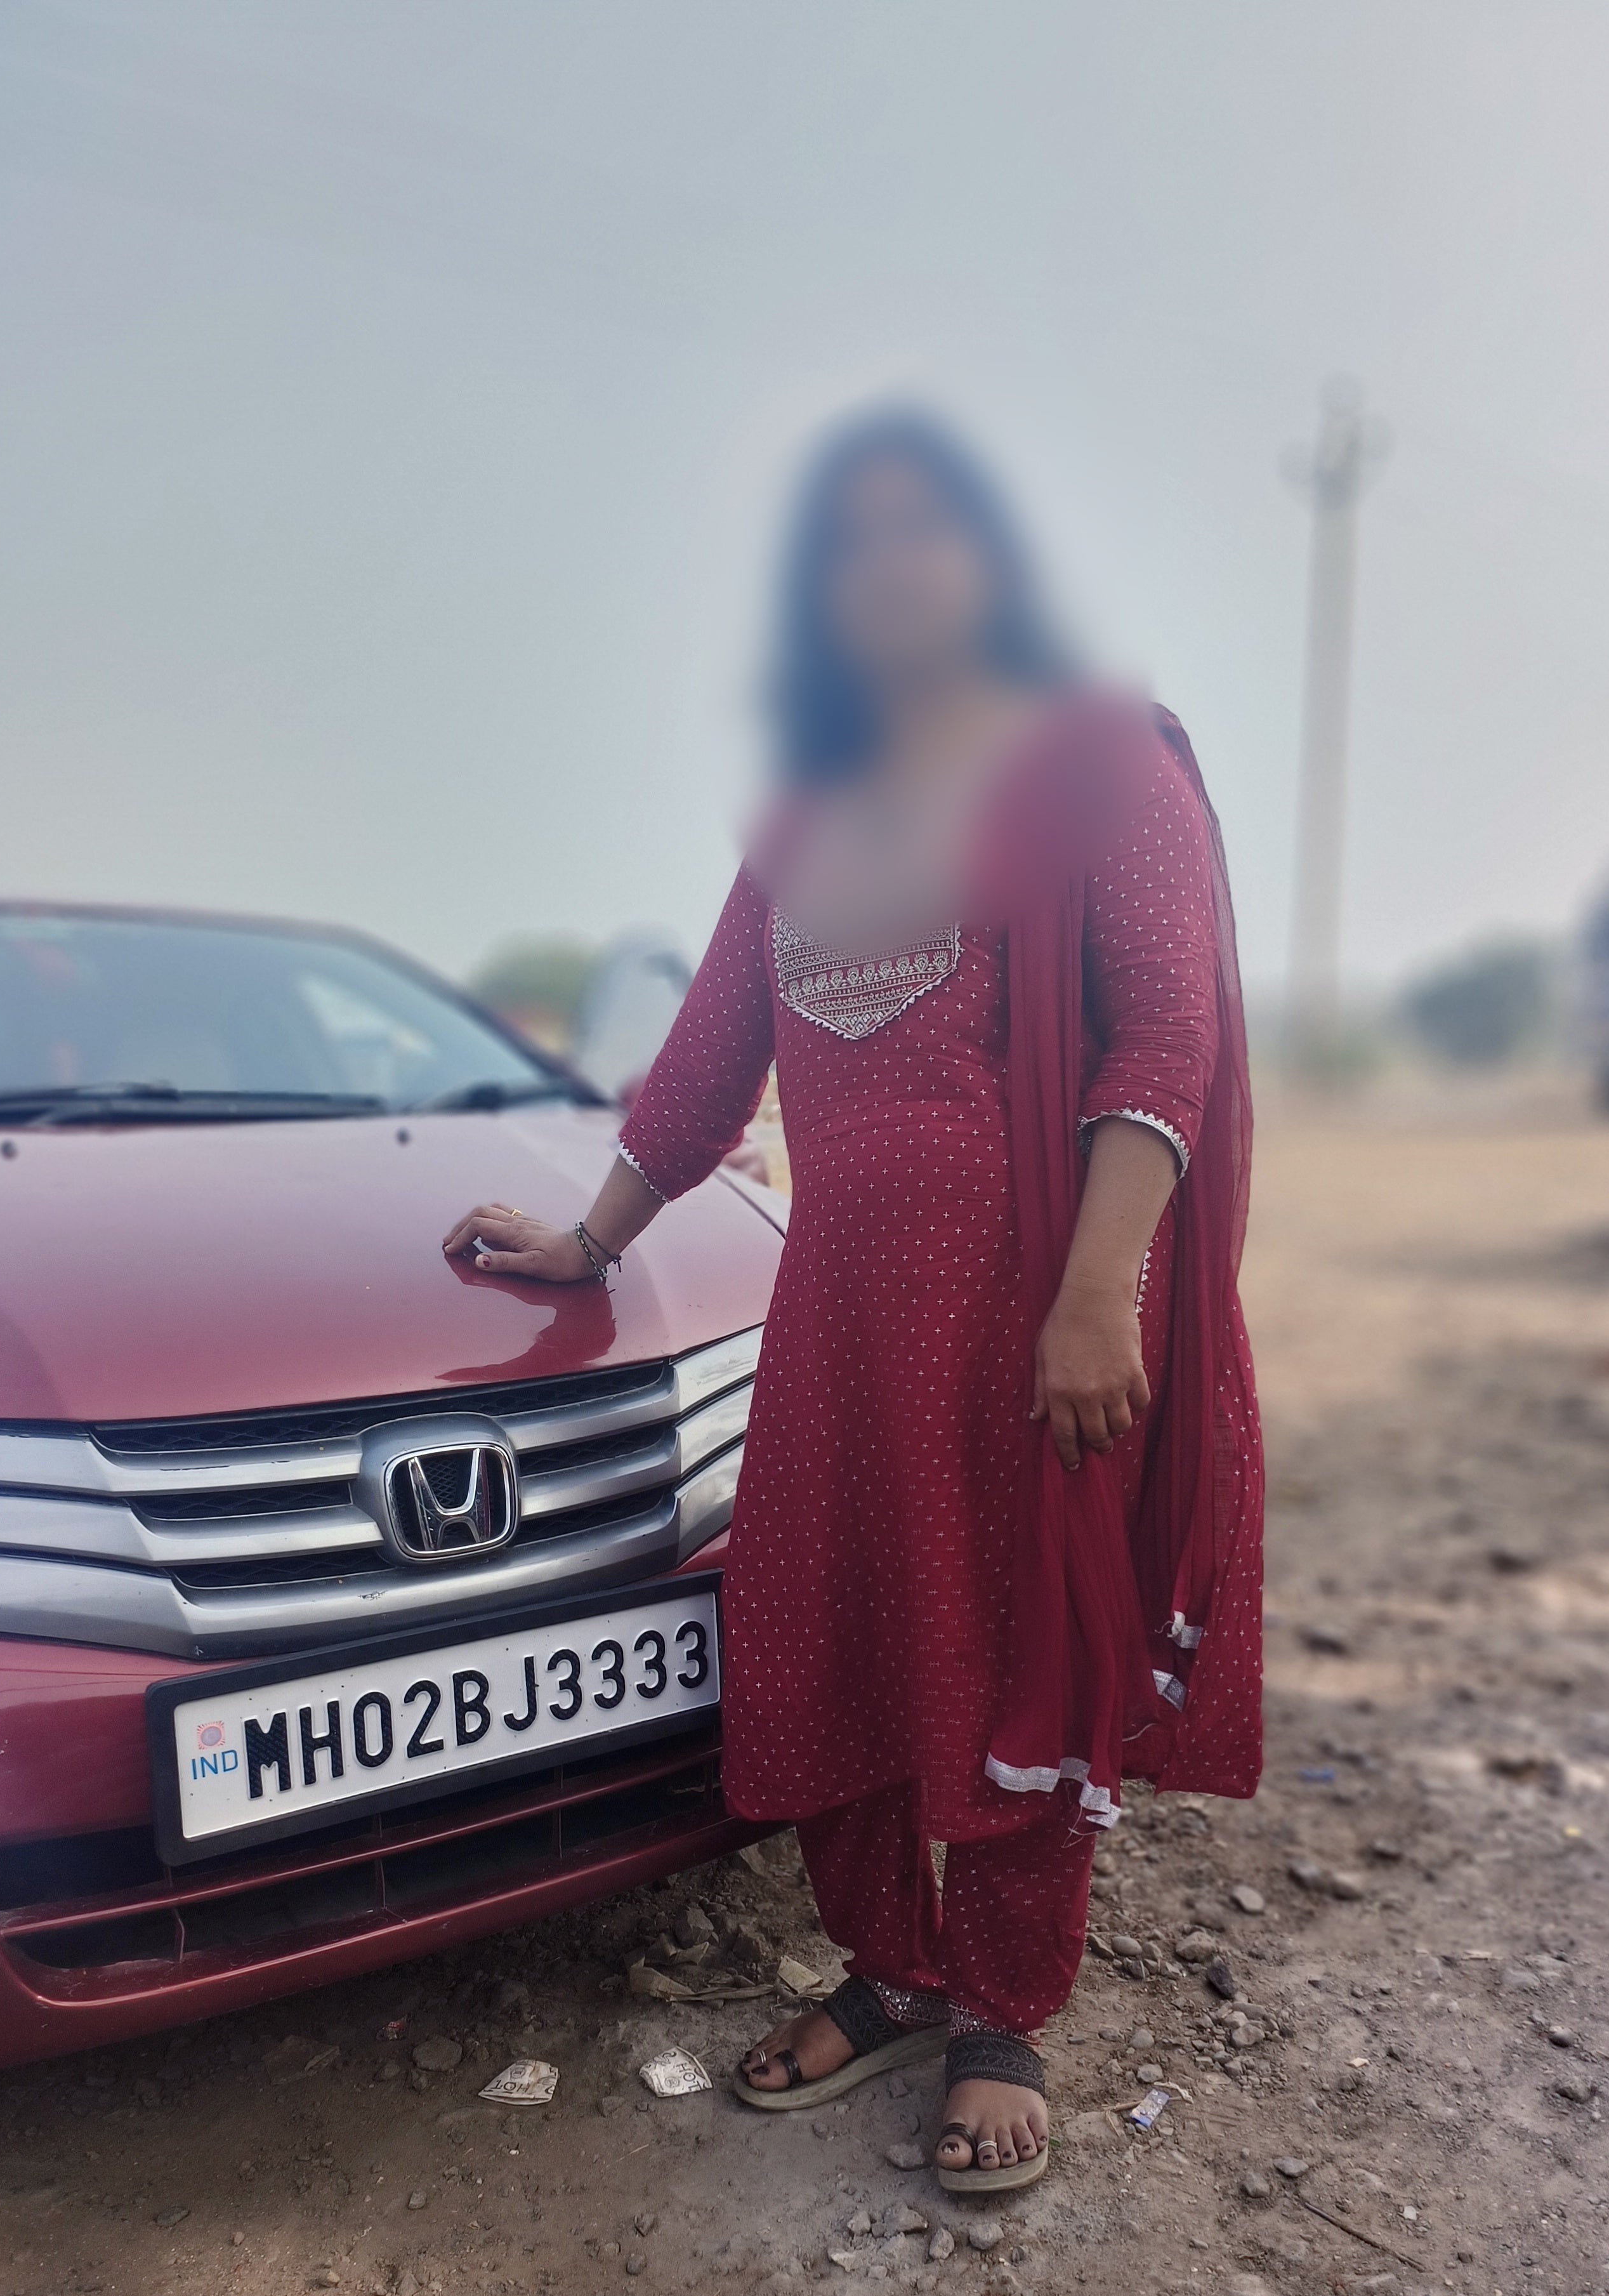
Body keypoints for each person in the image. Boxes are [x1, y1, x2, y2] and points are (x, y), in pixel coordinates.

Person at [443, 408, 1263, 2190]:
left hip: (1028, 1322)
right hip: (839, 1324)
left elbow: (1166, 1034)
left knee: (1019, 1641)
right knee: (838, 1624)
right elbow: (706, 1061)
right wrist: (595, 1235)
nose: (888, 567)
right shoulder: (804, 821)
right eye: (849, 540)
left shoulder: (1098, 764)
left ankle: (1002, 2011)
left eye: (923, 527)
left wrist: (1100, 1293)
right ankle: (891, 1969)